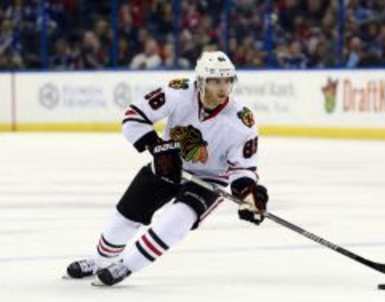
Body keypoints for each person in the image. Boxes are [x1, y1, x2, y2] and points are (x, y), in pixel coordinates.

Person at [65, 51, 269, 286]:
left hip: (209, 179)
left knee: (177, 220)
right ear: (201, 81)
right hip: (169, 166)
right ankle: (100, 260)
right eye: (215, 81)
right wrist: (157, 147)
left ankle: (126, 265)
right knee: (127, 214)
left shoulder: (242, 121)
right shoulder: (179, 92)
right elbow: (134, 116)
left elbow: (243, 169)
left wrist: (248, 194)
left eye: (227, 80)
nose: (223, 88)